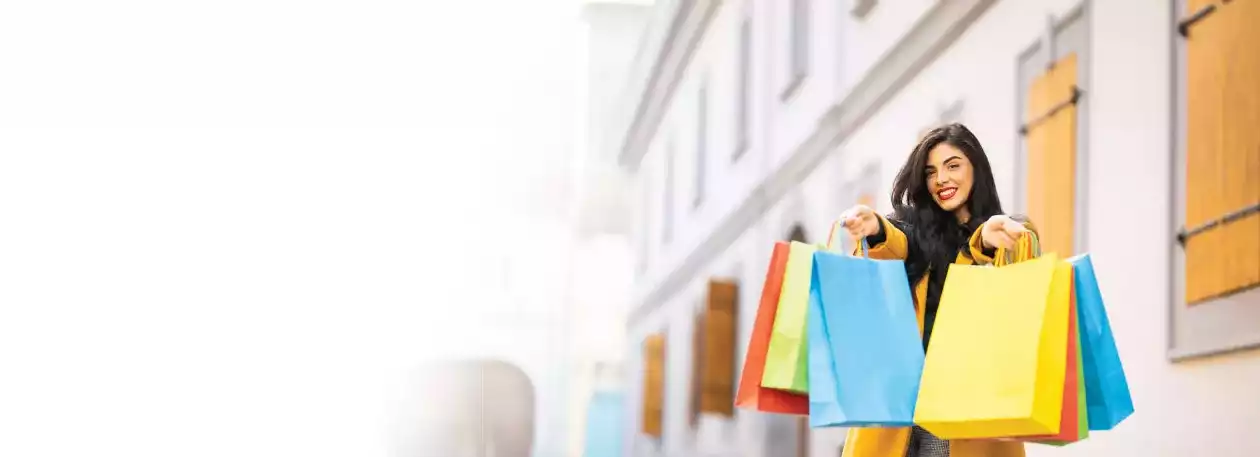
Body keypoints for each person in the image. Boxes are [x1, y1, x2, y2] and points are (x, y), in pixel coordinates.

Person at [836, 123, 1035, 457]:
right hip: (900, 404)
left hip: (963, 406)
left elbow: (1021, 260)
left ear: (976, 169)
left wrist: (986, 239)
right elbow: (894, 242)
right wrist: (873, 228)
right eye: (931, 171)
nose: (941, 179)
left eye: (953, 165)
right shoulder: (913, 233)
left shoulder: (1007, 229)